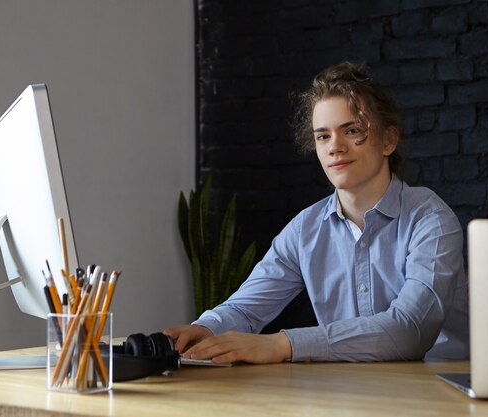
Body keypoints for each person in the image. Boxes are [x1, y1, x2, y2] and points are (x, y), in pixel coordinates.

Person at [164, 62, 469, 364]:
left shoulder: (431, 220)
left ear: (388, 140)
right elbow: (246, 309)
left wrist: (284, 344)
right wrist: (205, 329)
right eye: (323, 136)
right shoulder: (304, 230)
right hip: (351, 394)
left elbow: (410, 330)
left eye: (352, 130)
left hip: (440, 394)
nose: (335, 147)